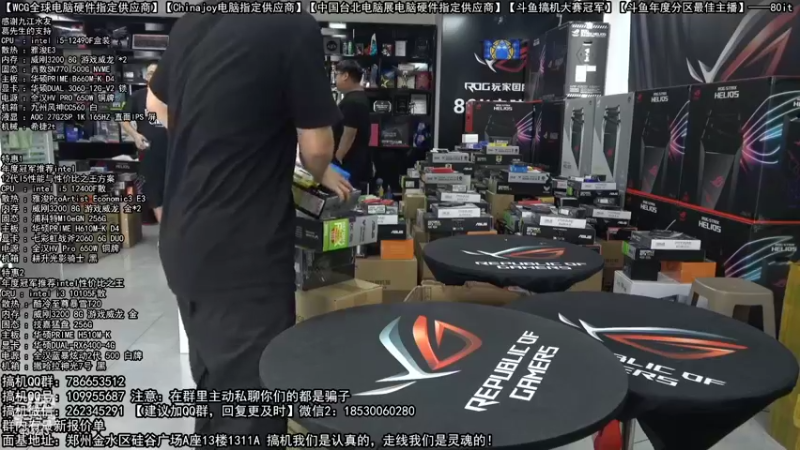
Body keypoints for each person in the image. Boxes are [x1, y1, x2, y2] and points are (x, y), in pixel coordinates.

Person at [144, 10, 352, 446]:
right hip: (241, 248)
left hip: (184, 237)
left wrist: (207, 144)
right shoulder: (291, 26)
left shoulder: (192, 22)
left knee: (216, 388)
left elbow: (154, 105)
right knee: (250, 407)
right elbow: (316, 147)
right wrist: (320, 172)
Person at [120, 62, 167, 222]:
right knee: (154, 191)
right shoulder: (138, 97)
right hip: (150, 152)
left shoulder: (172, 97)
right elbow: (123, 119)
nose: (153, 76)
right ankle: (164, 230)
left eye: (157, 73)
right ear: (146, 77)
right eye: (150, 73)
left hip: (173, 151)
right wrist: (135, 135)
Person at [333, 59, 373, 190]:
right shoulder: (359, 97)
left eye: (337, 75)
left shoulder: (352, 102)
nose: (335, 79)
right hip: (356, 160)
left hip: (348, 163)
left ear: (345, 76)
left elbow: (349, 133)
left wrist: (338, 158)